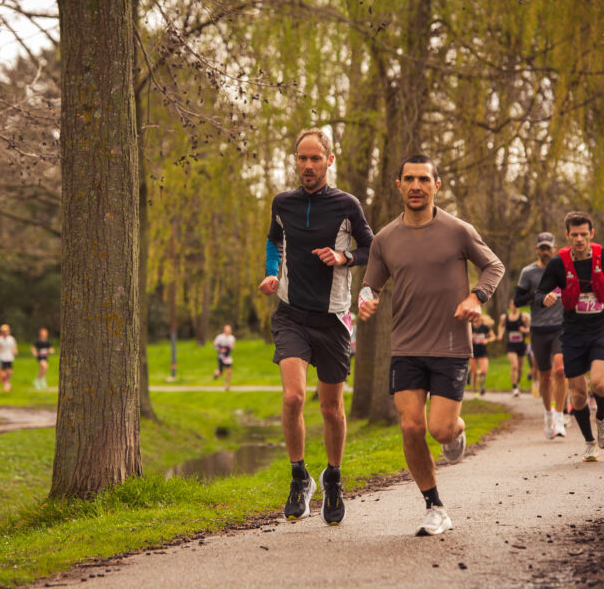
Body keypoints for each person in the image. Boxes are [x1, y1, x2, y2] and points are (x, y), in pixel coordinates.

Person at [358, 154, 504, 536]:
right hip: (405, 345)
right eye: (409, 179)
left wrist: (476, 297)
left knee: (439, 429)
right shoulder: (385, 239)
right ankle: (434, 506)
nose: (416, 186)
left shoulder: (458, 230)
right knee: (410, 426)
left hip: (451, 343)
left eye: (424, 179)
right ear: (399, 185)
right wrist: (366, 299)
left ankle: (457, 429)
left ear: (437, 185)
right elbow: (371, 284)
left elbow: (494, 266)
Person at [258, 128, 374, 525]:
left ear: (329, 160)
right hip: (291, 313)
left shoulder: (347, 204)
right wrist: (272, 273)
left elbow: (371, 249)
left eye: (316, 158)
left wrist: (343, 259)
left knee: (330, 407)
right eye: (302, 158)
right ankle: (299, 478)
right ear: (295, 160)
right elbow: (275, 240)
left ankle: (334, 478)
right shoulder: (283, 203)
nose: (309, 165)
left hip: (333, 319)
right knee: (293, 398)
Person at [536, 212, 604, 462]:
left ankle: (602, 417)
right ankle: (590, 442)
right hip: (572, 333)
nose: (580, 239)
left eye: (584, 234)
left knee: (600, 384)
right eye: (575, 234)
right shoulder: (558, 263)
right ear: (567, 235)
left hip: (601, 330)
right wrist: (546, 297)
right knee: (579, 395)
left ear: (591, 234)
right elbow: (540, 292)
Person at [515, 232, 569, 439]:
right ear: (536, 250)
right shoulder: (528, 272)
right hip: (538, 329)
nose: (546, 252)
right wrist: (538, 296)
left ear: (554, 248)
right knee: (544, 375)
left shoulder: (563, 269)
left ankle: (559, 417)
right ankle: (548, 415)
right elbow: (518, 300)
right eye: (542, 248)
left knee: (561, 370)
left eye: (549, 248)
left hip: (561, 327)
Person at [499, 298, 530, 397]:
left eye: (516, 304)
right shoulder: (505, 317)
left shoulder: (524, 317)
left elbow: (529, 329)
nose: (515, 306)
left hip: (521, 345)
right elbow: (501, 326)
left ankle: (517, 383)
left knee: (520, 369)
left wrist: (524, 330)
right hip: (511, 345)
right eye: (513, 304)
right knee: (514, 366)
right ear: (510, 305)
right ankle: (514, 388)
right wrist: (500, 334)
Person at [469, 315, 496, 398]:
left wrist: (487, 340)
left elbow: (493, 337)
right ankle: (475, 391)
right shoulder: (469, 327)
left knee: (483, 371)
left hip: (482, 352)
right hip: (472, 352)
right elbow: (462, 337)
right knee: (474, 373)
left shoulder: (485, 327)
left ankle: (480, 383)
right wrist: (470, 337)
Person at [0, 324, 18, 392]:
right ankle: (6, 384)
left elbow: (14, 347)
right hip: (2, 357)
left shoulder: (11, 339)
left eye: (7, 331)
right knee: (3, 373)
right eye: (4, 331)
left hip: (9, 357)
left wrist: (15, 351)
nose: (5, 333)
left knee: (9, 372)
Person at [212, 324, 236, 391]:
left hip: (227, 356)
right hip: (221, 356)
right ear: (224, 330)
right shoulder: (220, 337)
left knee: (229, 370)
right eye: (228, 330)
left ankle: (227, 385)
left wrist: (231, 348)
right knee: (220, 373)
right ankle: (216, 374)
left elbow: (232, 347)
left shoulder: (232, 338)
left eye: (230, 330)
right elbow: (215, 344)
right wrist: (220, 349)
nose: (229, 331)